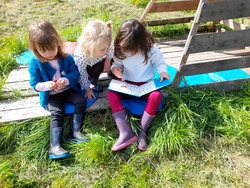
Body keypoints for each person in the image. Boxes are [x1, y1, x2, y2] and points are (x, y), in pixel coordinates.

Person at [28, 20, 88, 159]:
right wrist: (46, 85)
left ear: (57, 42)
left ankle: (76, 132)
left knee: (80, 100)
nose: (48, 54)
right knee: (57, 112)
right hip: (51, 95)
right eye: (43, 51)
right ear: (36, 49)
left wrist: (66, 81)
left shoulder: (66, 57)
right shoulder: (36, 63)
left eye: (51, 49)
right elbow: (34, 84)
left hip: (67, 89)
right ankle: (55, 146)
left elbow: (75, 73)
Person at [107, 19, 170, 152]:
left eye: (134, 48)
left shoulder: (151, 49)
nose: (131, 52)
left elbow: (160, 63)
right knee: (111, 94)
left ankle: (142, 131)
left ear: (142, 41)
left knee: (156, 96)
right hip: (127, 85)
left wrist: (162, 72)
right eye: (128, 48)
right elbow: (116, 64)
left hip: (146, 85)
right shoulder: (121, 49)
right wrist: (115, 69)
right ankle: (125, 132)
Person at [74, 19, 114, 100]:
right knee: (96, 69)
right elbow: (82, 74)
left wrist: (108, 60)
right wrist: (87, 89)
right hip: (90, 67)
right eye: (103, 50)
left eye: (107, 47)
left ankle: (113, 74)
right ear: (90, 47)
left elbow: (112, 47)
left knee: (115, 57)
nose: (107, 50)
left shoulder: (104, 44)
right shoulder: (81, 57)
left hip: (99, 59)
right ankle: (92, 81)